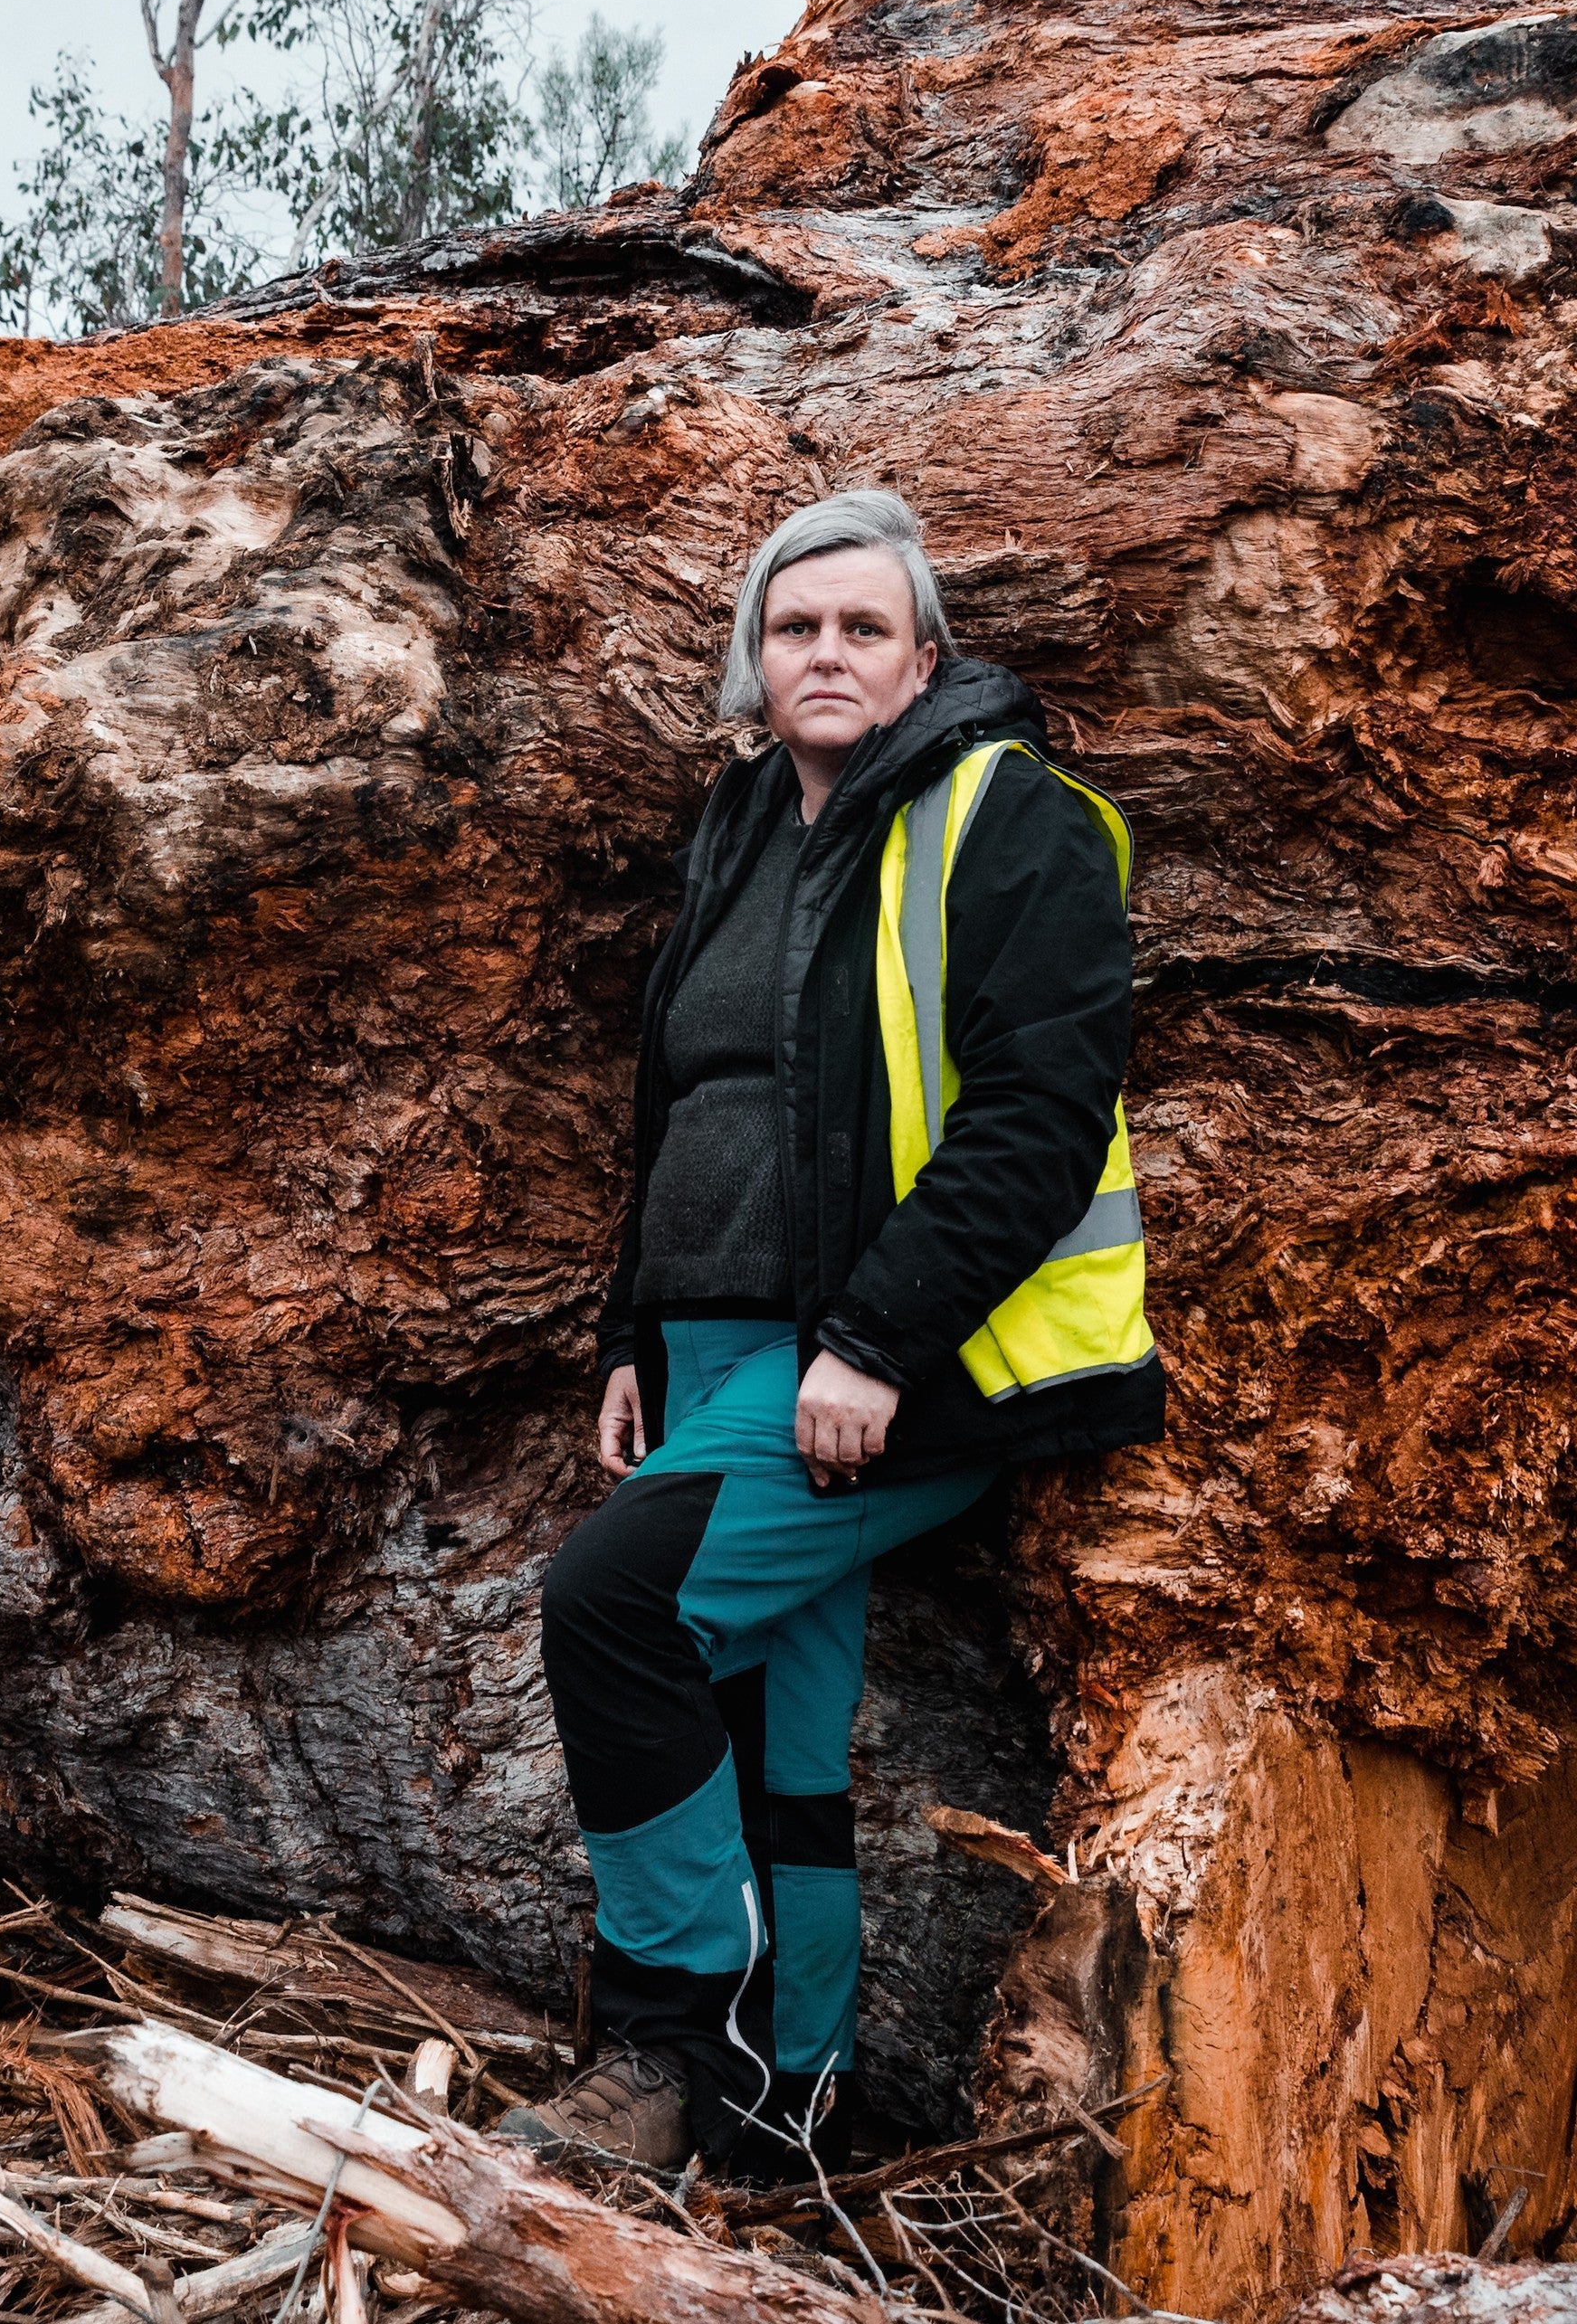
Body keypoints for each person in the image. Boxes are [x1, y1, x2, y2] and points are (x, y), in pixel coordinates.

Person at [495, 489, 1164, 2177]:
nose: (828, 652)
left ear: (925, 656)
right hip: (717, 1347)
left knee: (611, 1603)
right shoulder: (737, 837)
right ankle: (784, 2110)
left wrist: (873, 1341)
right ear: (753, 659)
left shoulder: (1009, 819)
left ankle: (660, 2040)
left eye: (865, 627)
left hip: (913, 1367)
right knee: (770, 1742)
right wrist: (629, 1336)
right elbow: (688, 1105)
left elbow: (1043, 1114)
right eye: (797, 627)